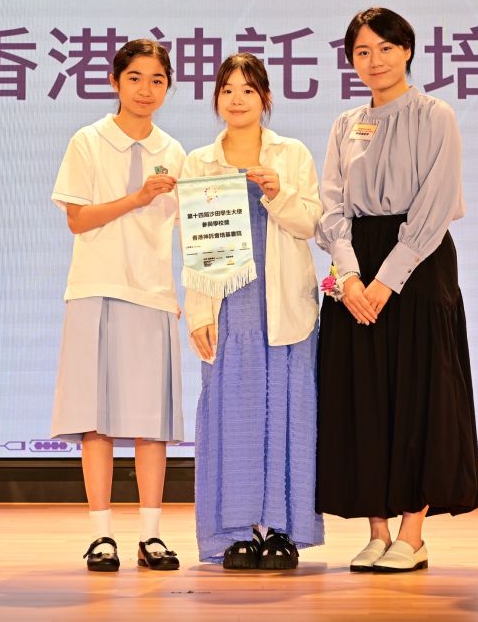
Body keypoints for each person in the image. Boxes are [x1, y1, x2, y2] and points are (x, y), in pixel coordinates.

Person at [315, 7, 478, 573]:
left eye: (385, 48)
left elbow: (436, 204)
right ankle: (377, 530)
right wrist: (349, 277)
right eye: (362, 52)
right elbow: (331, 206)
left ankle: (412, 533)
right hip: (355, 265)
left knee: (419, 394)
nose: (375, 61)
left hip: (419, 262)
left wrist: (386, 280)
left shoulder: (435, 115)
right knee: (363, 396)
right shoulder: (345, 124)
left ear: (407, 50)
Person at [49, 38, 186, 573]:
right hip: (96, 288)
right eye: (135, 78)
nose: (146, 89)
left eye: (157, 80)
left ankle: (151, 535)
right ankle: (101, 535)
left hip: (152, 292)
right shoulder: (88, 141)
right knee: (97, 420)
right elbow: (77, 219)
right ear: (114, 81)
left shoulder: (175, 151)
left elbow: (192, 230)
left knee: (151, 422)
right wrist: (138, 197)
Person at [183, 53, 325, 570]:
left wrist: (277, 193)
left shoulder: (292, 154)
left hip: (286, 301)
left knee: (288, 410)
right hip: (230, 305)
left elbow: (313, 224)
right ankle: (235, 531)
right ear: (216, 99)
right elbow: (195, 243)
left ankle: (283, 530)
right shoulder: (200, 162)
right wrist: (199, 312)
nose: (236, 99)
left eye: (247, 90)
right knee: (232, 412)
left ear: (266, 98)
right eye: (227, 90)